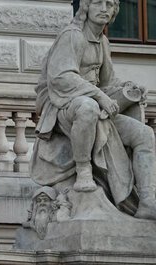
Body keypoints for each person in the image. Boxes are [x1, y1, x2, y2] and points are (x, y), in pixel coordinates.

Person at [32, 0, 156, 220]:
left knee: (144, 134)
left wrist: (128, 89)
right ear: (86, 7)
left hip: (93, 105)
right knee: (87, 107)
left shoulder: (103, 42)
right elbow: (61, 78)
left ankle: (147, 201)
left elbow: (108, 82)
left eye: (110, 5)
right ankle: (83, 171)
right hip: (63, 105)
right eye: (98, 3)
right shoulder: (72, 35)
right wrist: (98, 95)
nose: (104, 9)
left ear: (115, 11)